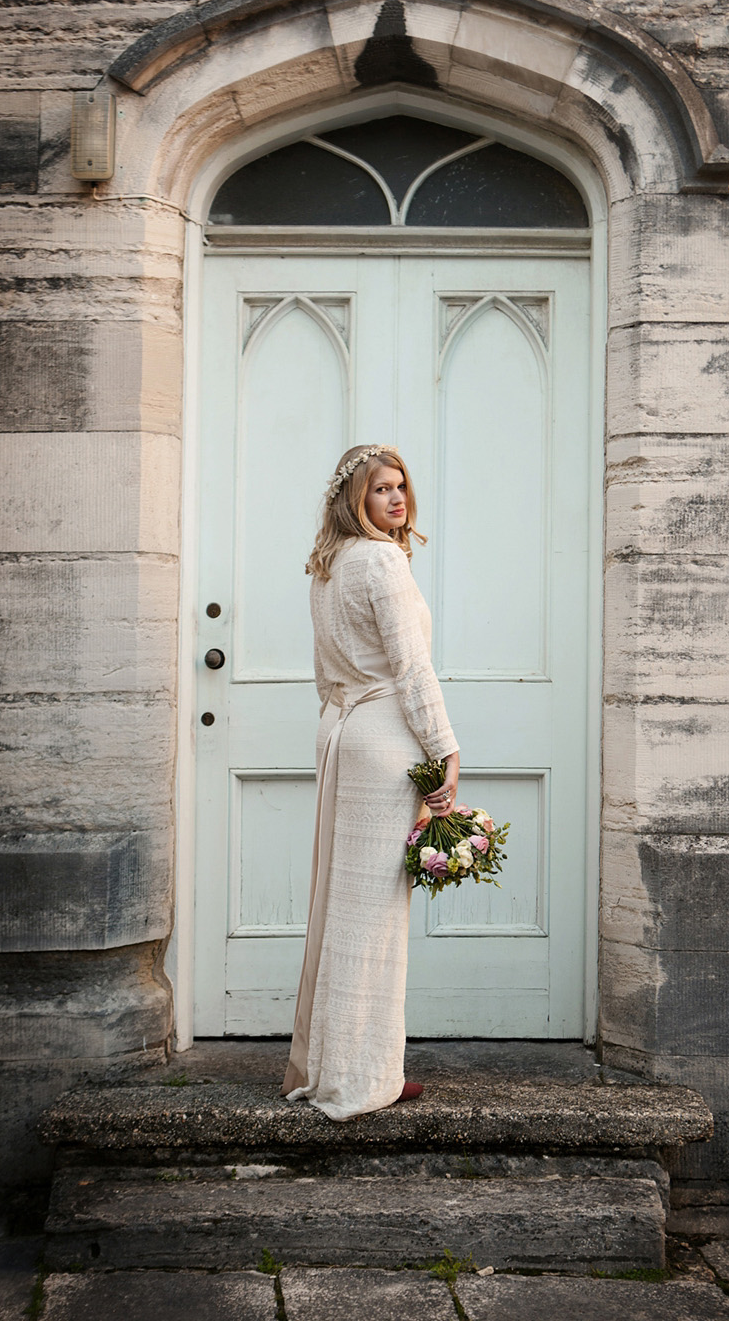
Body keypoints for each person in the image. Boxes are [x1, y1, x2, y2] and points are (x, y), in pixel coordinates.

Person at [281, 444, 459, 1121]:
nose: (397, 500)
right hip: (384, 740)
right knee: (373, 918)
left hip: (343, 736)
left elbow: (327, 678)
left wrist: (340, 730)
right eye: (381, 489)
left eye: (401, 487)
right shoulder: (381, 560)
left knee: (341, 910)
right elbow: (412, 671)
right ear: (354, 498)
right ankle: (362, 1079)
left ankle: (337, 1066)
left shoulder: (326, 567)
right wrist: (444, 747)